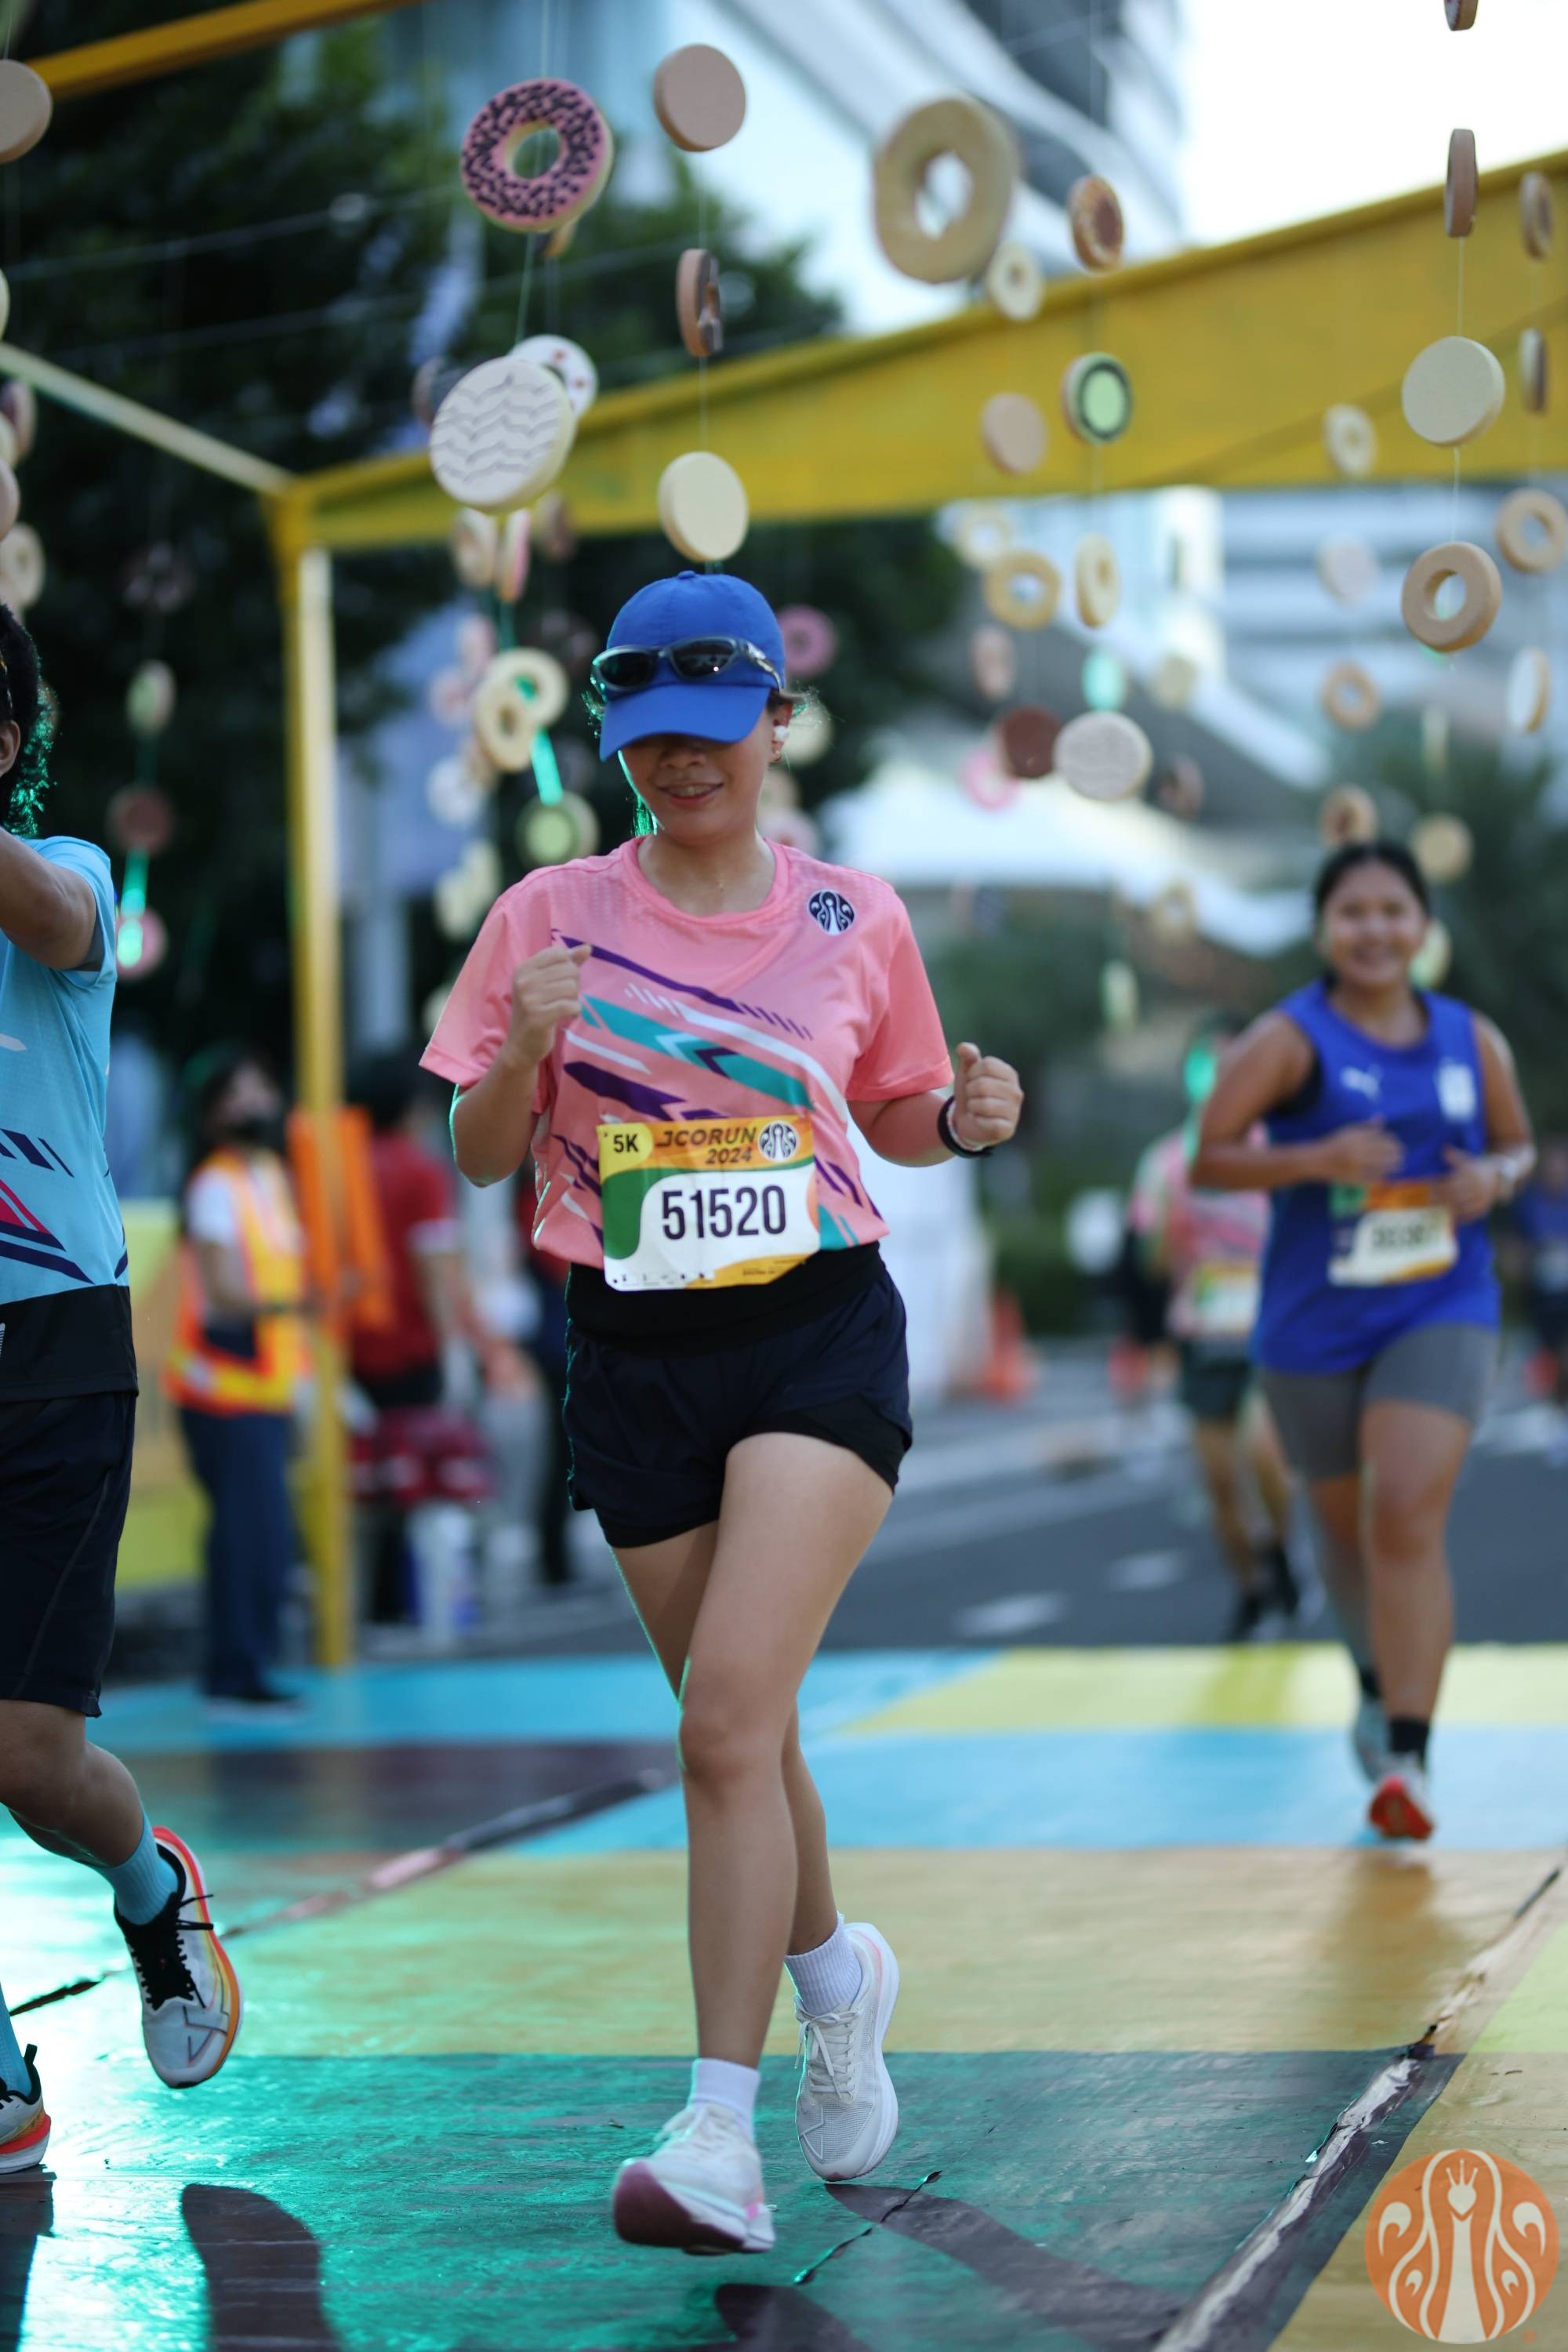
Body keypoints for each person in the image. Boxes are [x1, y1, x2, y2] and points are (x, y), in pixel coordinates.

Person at [423, 569, 1022, 2253]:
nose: (680, 762)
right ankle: (838, 1978)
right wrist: (520, 1060)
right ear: (614, 742)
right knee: (743, 1729)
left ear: (774, 721)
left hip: (814, 1338)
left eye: (710, 730)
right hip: (631, 1356)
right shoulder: (545, 915)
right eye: (648, 737)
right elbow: (479, 1154)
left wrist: (961, 1121)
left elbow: (892, 1109)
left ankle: (715, 2138)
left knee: (719, 1728)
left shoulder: (854, 915)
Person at [0, 607, 240, 2174]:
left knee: (25, 1763)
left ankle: (151, 1888)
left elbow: (49, 914)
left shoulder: (67, 879)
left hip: (52, 1356)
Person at [1192, 840, 1534, 1842]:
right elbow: (1209, 1159)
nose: (1374, 930)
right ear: (1322, 929)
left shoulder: (1470, 1039)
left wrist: (1495, 1178)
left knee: (1403, 1511)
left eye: (1393, 910)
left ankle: (1409, 1759)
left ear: (1422, 927)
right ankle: (1376, 1689)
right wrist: (1317, 1158)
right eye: (1352, 912)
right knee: (1342, 1533)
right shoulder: (1286, 1038)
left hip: (1440, 1302)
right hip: (1313, 1325)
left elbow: (1516, 1144)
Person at [1129, 1022, 1298, 1639]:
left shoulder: (1280, 1151)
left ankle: (1281, 1548)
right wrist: (1164, 1232)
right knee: (1221, 1483)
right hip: (1203, 1331)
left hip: (1270, 1330)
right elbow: (1149, 1263)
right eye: (1211, 1068)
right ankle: (1252, 1588)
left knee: (1266, 1453)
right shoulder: (1167, 1162)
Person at [347, 1051, 524, 1620]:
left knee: (367, 1483)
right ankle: (424, 1608)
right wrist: (460, 1348)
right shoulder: (419, 1169)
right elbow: (436, 1271)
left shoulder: (340, 1167)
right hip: (412, 1349)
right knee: (422, 1483)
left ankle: (376, 1609)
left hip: (349, 1349)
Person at [165, 1047, 310, 1715]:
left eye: (260, 1089)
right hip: (222, 1392)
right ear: (211, 1115)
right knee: (247, 1536)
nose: (253, 1105)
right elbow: (224, 1290)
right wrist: (295, 1306)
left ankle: (249, 1666)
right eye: (236, 1094)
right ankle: (234, 1672)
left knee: (267, 1535)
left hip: (265, 1388)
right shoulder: (214, 1186)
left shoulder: (270, 1176)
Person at [1508, 1137, 1568, 1417]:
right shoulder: (1528, 1204)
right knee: (1549, 1356)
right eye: (1552, 1164)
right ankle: (1556, 1410)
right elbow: (1512, 1251)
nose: (1556, 1169)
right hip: (1541, 1295)